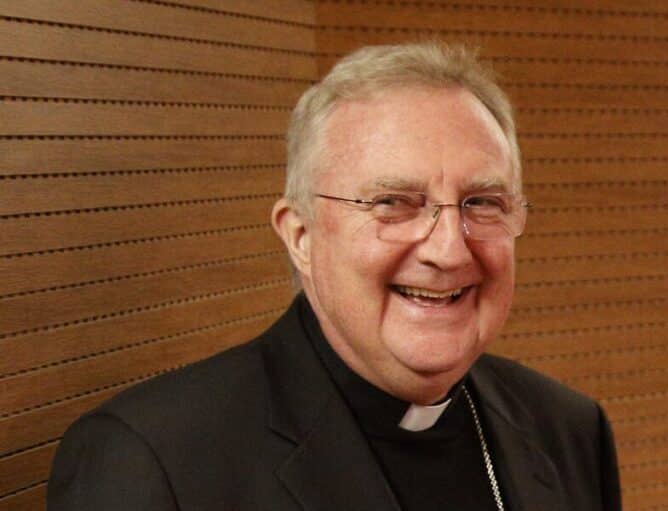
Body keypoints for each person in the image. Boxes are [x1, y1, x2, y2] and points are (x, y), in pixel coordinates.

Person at [48, 42, 622, 511]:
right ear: (300, 235)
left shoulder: (567, 429)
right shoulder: (152, 461)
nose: (449, 250)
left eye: (482, 203)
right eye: (393, 203)